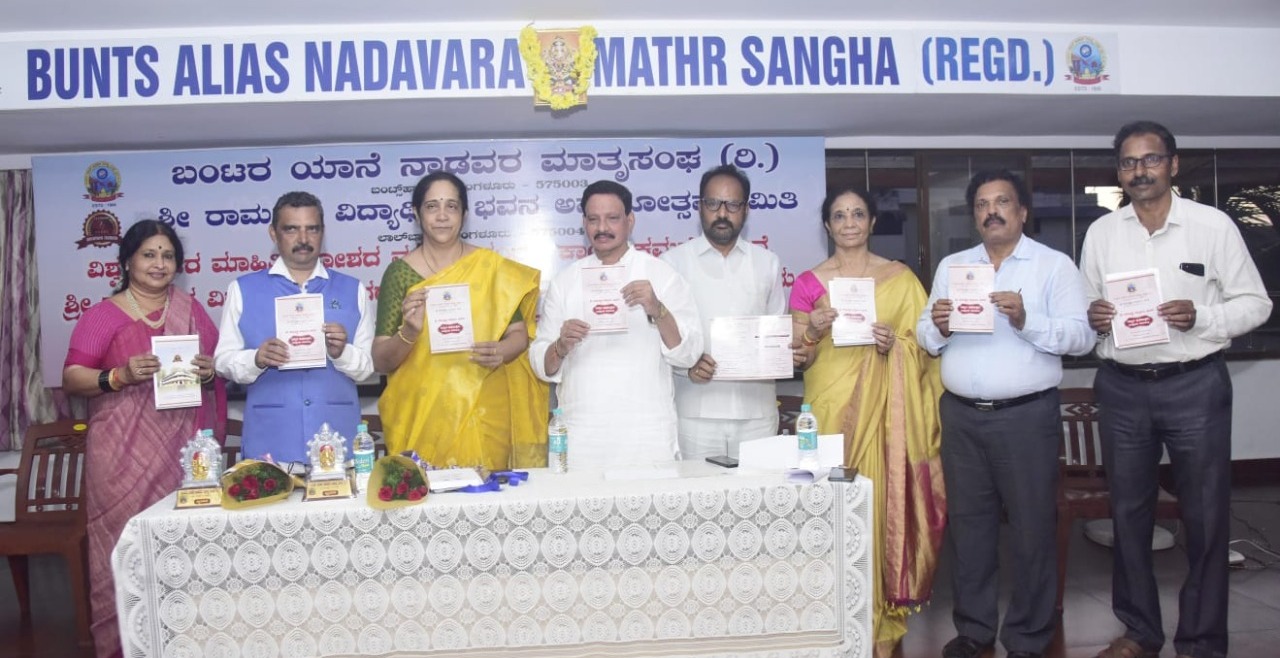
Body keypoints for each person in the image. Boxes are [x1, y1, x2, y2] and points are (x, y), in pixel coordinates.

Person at [1081, 121, 1271, 658]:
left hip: (1194, 386)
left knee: (1206, 519)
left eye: (1150, 159)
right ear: (1118, 172)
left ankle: (1202, 641)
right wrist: (1093, 317)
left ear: (1173, 164)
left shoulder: (1212, 226)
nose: (1139, 170)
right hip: (1121, 389)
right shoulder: (1102, 233)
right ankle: (1139, 632)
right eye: (1128, 162)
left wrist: (1202, 316)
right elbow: (1085, 309)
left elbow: (1256, 304)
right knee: (1128, 517)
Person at [917, 170, 1093, 658]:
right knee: (970, 529)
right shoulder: (954, 265)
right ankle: (974, 630)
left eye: (1001, 202)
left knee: (1032, 529)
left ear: (1022, 212)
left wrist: (1025, 319)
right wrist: (939, 327)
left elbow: (1081, 337)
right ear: (974, 215)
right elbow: (925, 336)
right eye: (981, 204)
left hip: (1025, 419)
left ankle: (1028, 636)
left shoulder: (1053, 266)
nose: (990, 211)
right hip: (961, 418)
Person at [789, 187, 944, 658]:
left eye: (858, 214)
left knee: (879, 509)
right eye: (839, 215)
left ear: (873, 222)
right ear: (827, 225)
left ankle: (879, 621)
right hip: (830, 412)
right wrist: (813, 329)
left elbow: (925, 346)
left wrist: (893, 345)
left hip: (888, 420)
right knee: (831, 512)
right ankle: (832, 619)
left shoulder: (900, 278)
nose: (850, 222)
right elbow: (798, 355)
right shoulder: (809, 283)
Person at [61, 219, 225, 658]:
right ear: (127, 261)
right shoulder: (103, 315)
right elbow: (73, 377)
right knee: (124, 552)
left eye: (167, 255)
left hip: (184, 457)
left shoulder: (192, 311)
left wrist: (210, 372)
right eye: (149, 254)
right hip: (120, 459)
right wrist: (118, 375)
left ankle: (188, 645)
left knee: (185, 550)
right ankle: (123, 647)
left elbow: (217, 368)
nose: (159, 263)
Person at [373, 171, 548, 469]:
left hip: (485, 412)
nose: (442, 216)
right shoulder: (400, 274)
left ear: (464, 214)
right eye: (432, 206)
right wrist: (408, 333)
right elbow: (380, 360)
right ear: (416, 213)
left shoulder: (489, 267)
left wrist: (501, 351)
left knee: (487, 494)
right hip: (423, 416)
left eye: (451, 206)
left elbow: (518, 334)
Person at [530, 180, 703, 468]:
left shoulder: (661, 275)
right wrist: (560, 346)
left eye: (612, 218)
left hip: (646, 437)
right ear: (584, 223)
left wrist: (658, 309)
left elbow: (689, 353)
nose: (602, 228)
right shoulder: (565, 282)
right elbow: (541, 364)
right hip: (583, 437)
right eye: (593, 219)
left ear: (629, 221)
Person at [213, 191, 373, 462]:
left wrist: (341, 352)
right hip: (271, 441)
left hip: (337, 439)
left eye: (312, 229)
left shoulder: (353, 289)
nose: (303, 239)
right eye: (291, 229)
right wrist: (256, 358)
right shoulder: (242, 289)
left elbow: (367, 367)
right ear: (273, 233)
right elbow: (222, 362)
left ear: (323, 232)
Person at [660, 165, 786, 459]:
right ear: (700, 207)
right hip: (695, 412)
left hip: (757, 412)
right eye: (713, 203)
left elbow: (776, 332)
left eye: (732, 205)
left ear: (746, 209)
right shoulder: (673, 263)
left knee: (759, 488)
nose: (722, 213)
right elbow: (661, 335)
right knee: (697, 489)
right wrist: (687, 367)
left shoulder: (767, 262)